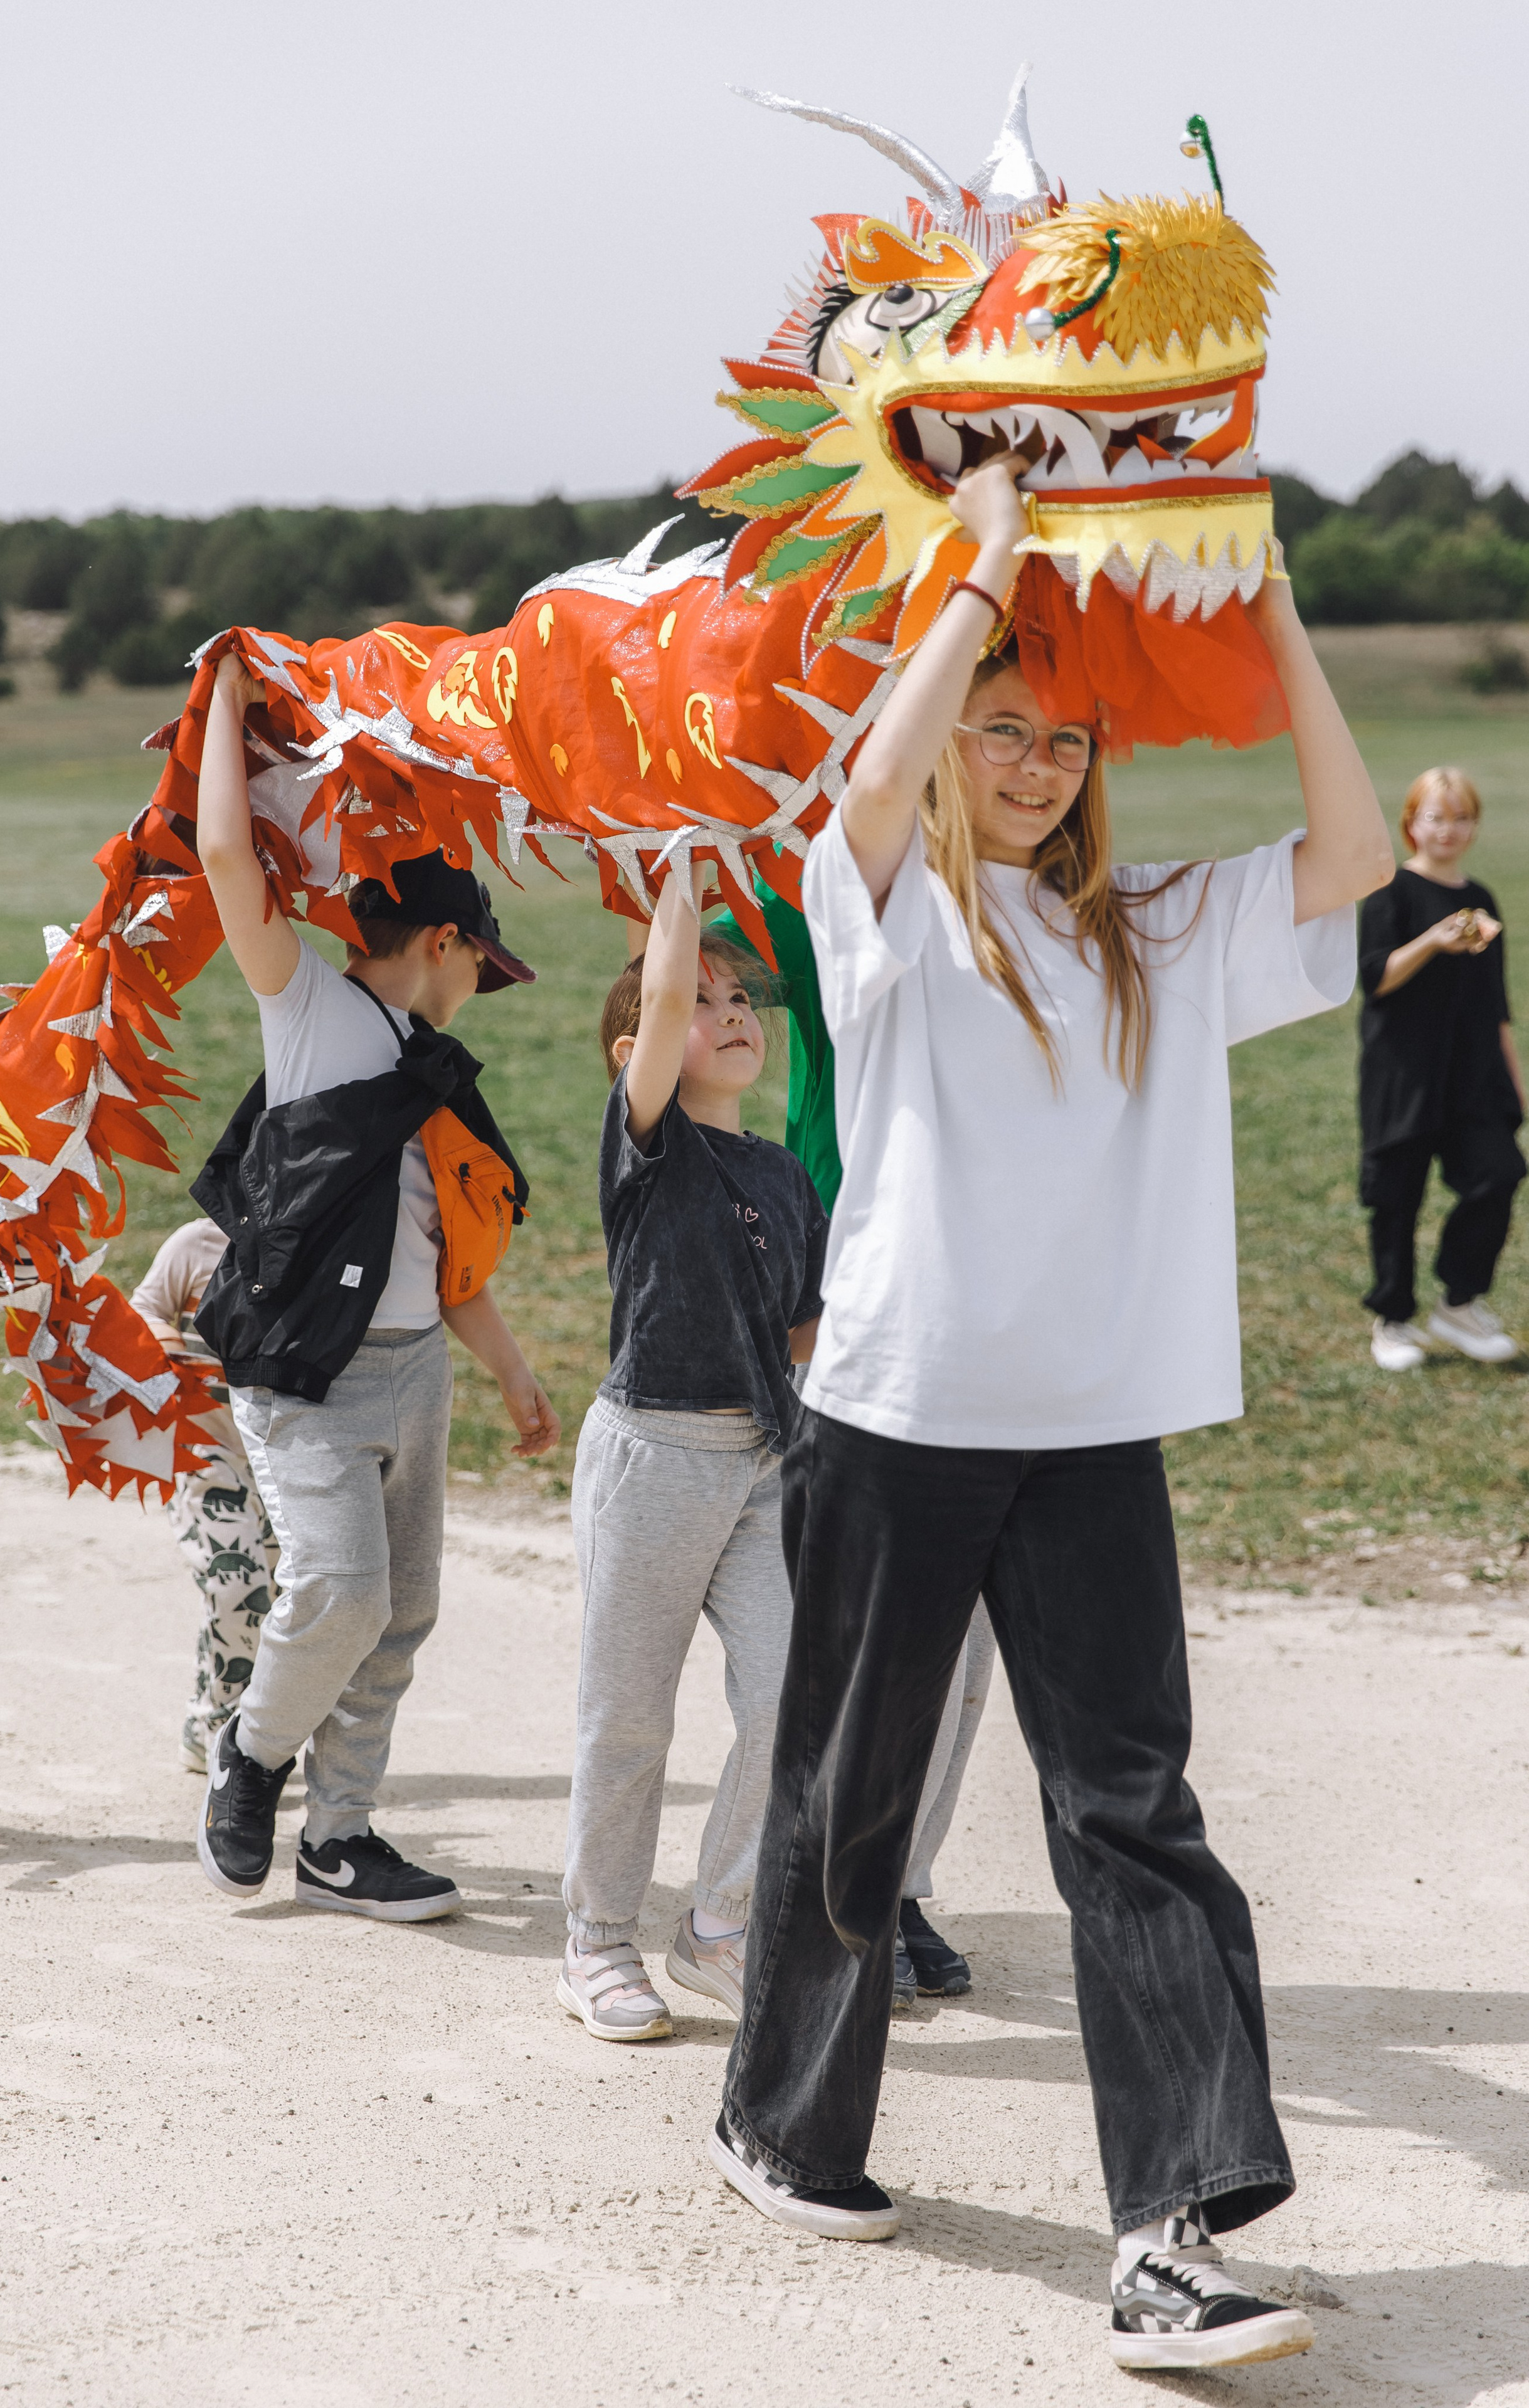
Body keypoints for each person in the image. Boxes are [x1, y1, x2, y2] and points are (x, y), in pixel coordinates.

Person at [708, 454, 1394, 2376]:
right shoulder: (895, 921)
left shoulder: (1155, 932)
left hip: (1092, 1431)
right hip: (897, 1413)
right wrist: (983, 568)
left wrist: (1263, 608)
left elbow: (1346, 855)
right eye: (1001, 730)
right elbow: (858, 792)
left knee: (1130, 1814)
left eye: (1063, 734)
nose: (1031, 763)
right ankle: (782, 2111)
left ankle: (1169, 2229)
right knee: (850, 1793)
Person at [191, 651, 560, 1922]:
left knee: (399, 1614)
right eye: (481, 963)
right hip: (305, 1372)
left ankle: (339, 1838)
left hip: (415, 1374)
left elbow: (444, 1251)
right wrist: (227, 705)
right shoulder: (313, 1016)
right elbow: (231, 866)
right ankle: (249, 1762)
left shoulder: (431, 1066)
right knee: (341, 1588)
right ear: (448, 940)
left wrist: (508, 1367)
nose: (481, 990)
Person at [558, 861, 827, 2041]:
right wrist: (684, 871)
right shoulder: (650, 1144)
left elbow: (804, 1327)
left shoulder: (778, 1171)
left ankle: (715, 1922)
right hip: (655, 1456)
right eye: (705, 1001)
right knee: (632, 1718)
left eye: (744, 1002)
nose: (731, 1016)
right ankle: (595, 1943)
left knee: (790, 1694)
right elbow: (659, 998)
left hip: (764, 1457)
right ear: (639, 1053)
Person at [714, 884, 989, 2007]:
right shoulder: (833, 908)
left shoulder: (1005, 922)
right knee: (866, 1634)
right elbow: (704, 937)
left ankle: (904, 1878)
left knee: (968, 1651)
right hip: (848, 1325)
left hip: (978, 1325)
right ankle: (825, 1885)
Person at [1357, 766, 1524, 1372]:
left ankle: (1459, 1303)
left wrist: (1514, 1079)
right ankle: (1393, 1319)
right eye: (1435, 817)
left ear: (1475, 825)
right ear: (1412, 823)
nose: (1447, 829)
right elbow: (1375, 979)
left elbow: (1496, 1004)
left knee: (1499, 1172)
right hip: (1404, 1072)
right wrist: (1433, 940)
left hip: (1473, 1073)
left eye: (1460, 817)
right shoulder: (1390, 891)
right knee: (1397, 1197)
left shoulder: (1482, 901)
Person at [130, 1217, 280, 1774]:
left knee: (274, 1599)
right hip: (203, 1448)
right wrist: (159, 1336)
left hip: (284, 1458)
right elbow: (142, 1307)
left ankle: (230, 1720)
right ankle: (220, 1731)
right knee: (236, 1584)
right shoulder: (198, 1242)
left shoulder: (320, 1238)